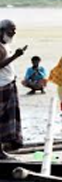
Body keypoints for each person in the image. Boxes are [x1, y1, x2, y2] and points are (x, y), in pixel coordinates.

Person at [0, 20, 25, 158]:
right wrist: (15, 56)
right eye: (10, 31)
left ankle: (4, 149)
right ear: (1, 30)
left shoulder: (5, 45)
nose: (12, 34)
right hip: (2, 87)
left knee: (6, 120)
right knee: (1, 119)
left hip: (7, 85)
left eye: (14, 32)